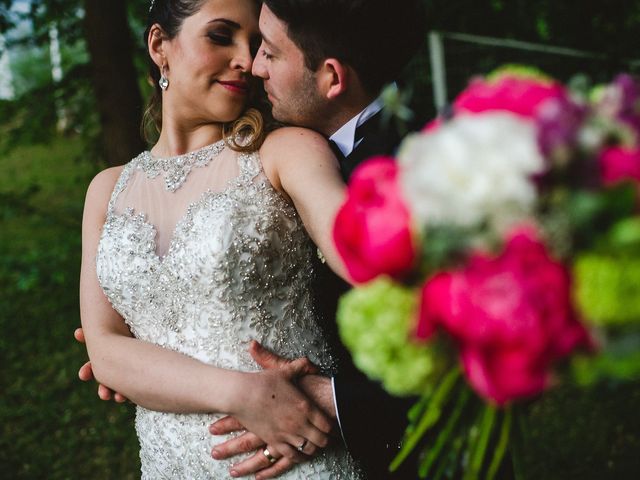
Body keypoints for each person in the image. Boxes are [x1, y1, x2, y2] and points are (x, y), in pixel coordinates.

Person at [78, 0, 426, 478]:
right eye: (221, 37)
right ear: (160, 45)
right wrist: (240, 393)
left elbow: (365, 255)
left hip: (299, 459)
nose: (247, 60)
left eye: (257, 43)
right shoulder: (106, 190)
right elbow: (105, 350)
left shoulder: (286, 152)